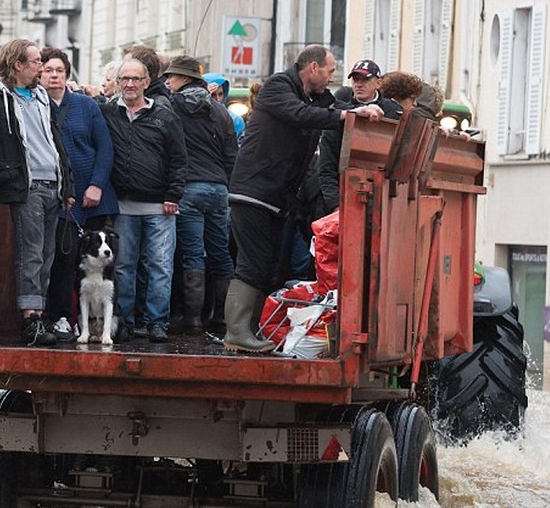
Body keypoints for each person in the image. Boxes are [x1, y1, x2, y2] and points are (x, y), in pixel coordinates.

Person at [224, 45, 384, 352]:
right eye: (329, 70)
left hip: (277, 197)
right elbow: (301, 115)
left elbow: (329, 108)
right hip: (253, 192)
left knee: (269, 264)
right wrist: (347, 113)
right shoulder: (277, 87)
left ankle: (253, 330)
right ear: (312, 68)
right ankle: (236, 332)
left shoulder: (318, 98)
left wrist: (371, 110)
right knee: (253, 262)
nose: (333, 77)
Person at [0, 39, 74, 347]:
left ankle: (40, 314)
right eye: (35, 62)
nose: (41, 67)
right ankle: (30, 320)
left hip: (53, 185)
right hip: (28, 186)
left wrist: (68, 185)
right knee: (30, 253)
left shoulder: (42, 97)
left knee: (47, 255)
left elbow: (56, 143)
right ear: (18, 65)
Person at [101, 58, 188, 343]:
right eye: (124, 78)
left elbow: (179, 160)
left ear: (146, 83)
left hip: (161, 206)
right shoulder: (107, 113)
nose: (129, 84)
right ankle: (124, 322)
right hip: (123, 205)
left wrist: (173, 195)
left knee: (161, 266)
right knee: (124, 266)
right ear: (117, 82)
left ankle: (156, 322)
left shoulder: (165, 117)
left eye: (135, 79)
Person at [38, 47, 119, 341]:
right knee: (62, 259)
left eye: (59, 70)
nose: (54, 76)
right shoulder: (37, 105)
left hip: (94, 198)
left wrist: (97, 184)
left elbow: (105, 147)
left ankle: (103, 325)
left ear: (67, 74)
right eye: (48, 70)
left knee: (100, 263)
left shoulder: (86, 106)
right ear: (40, 73)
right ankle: (62, 318)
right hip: (60, 200)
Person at [165, 55, 238, 332]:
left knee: (193, 254)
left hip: (190, 187)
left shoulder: (172, 106)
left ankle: (192, 320)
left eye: (172, 76)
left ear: (184, 79)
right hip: (219, 189)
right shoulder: (221, 111)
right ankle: (220, 319)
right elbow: (232, 154)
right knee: (221, 254)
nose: (168, 81)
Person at [317, 59, 403, 214]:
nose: (358, 84)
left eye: (365, 79)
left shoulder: (394, 112)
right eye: (356, 79)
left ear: (378, 83)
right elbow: (326, 166)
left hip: (385, 199)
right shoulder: (338, 113)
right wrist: (335, 205)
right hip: (346, 195)